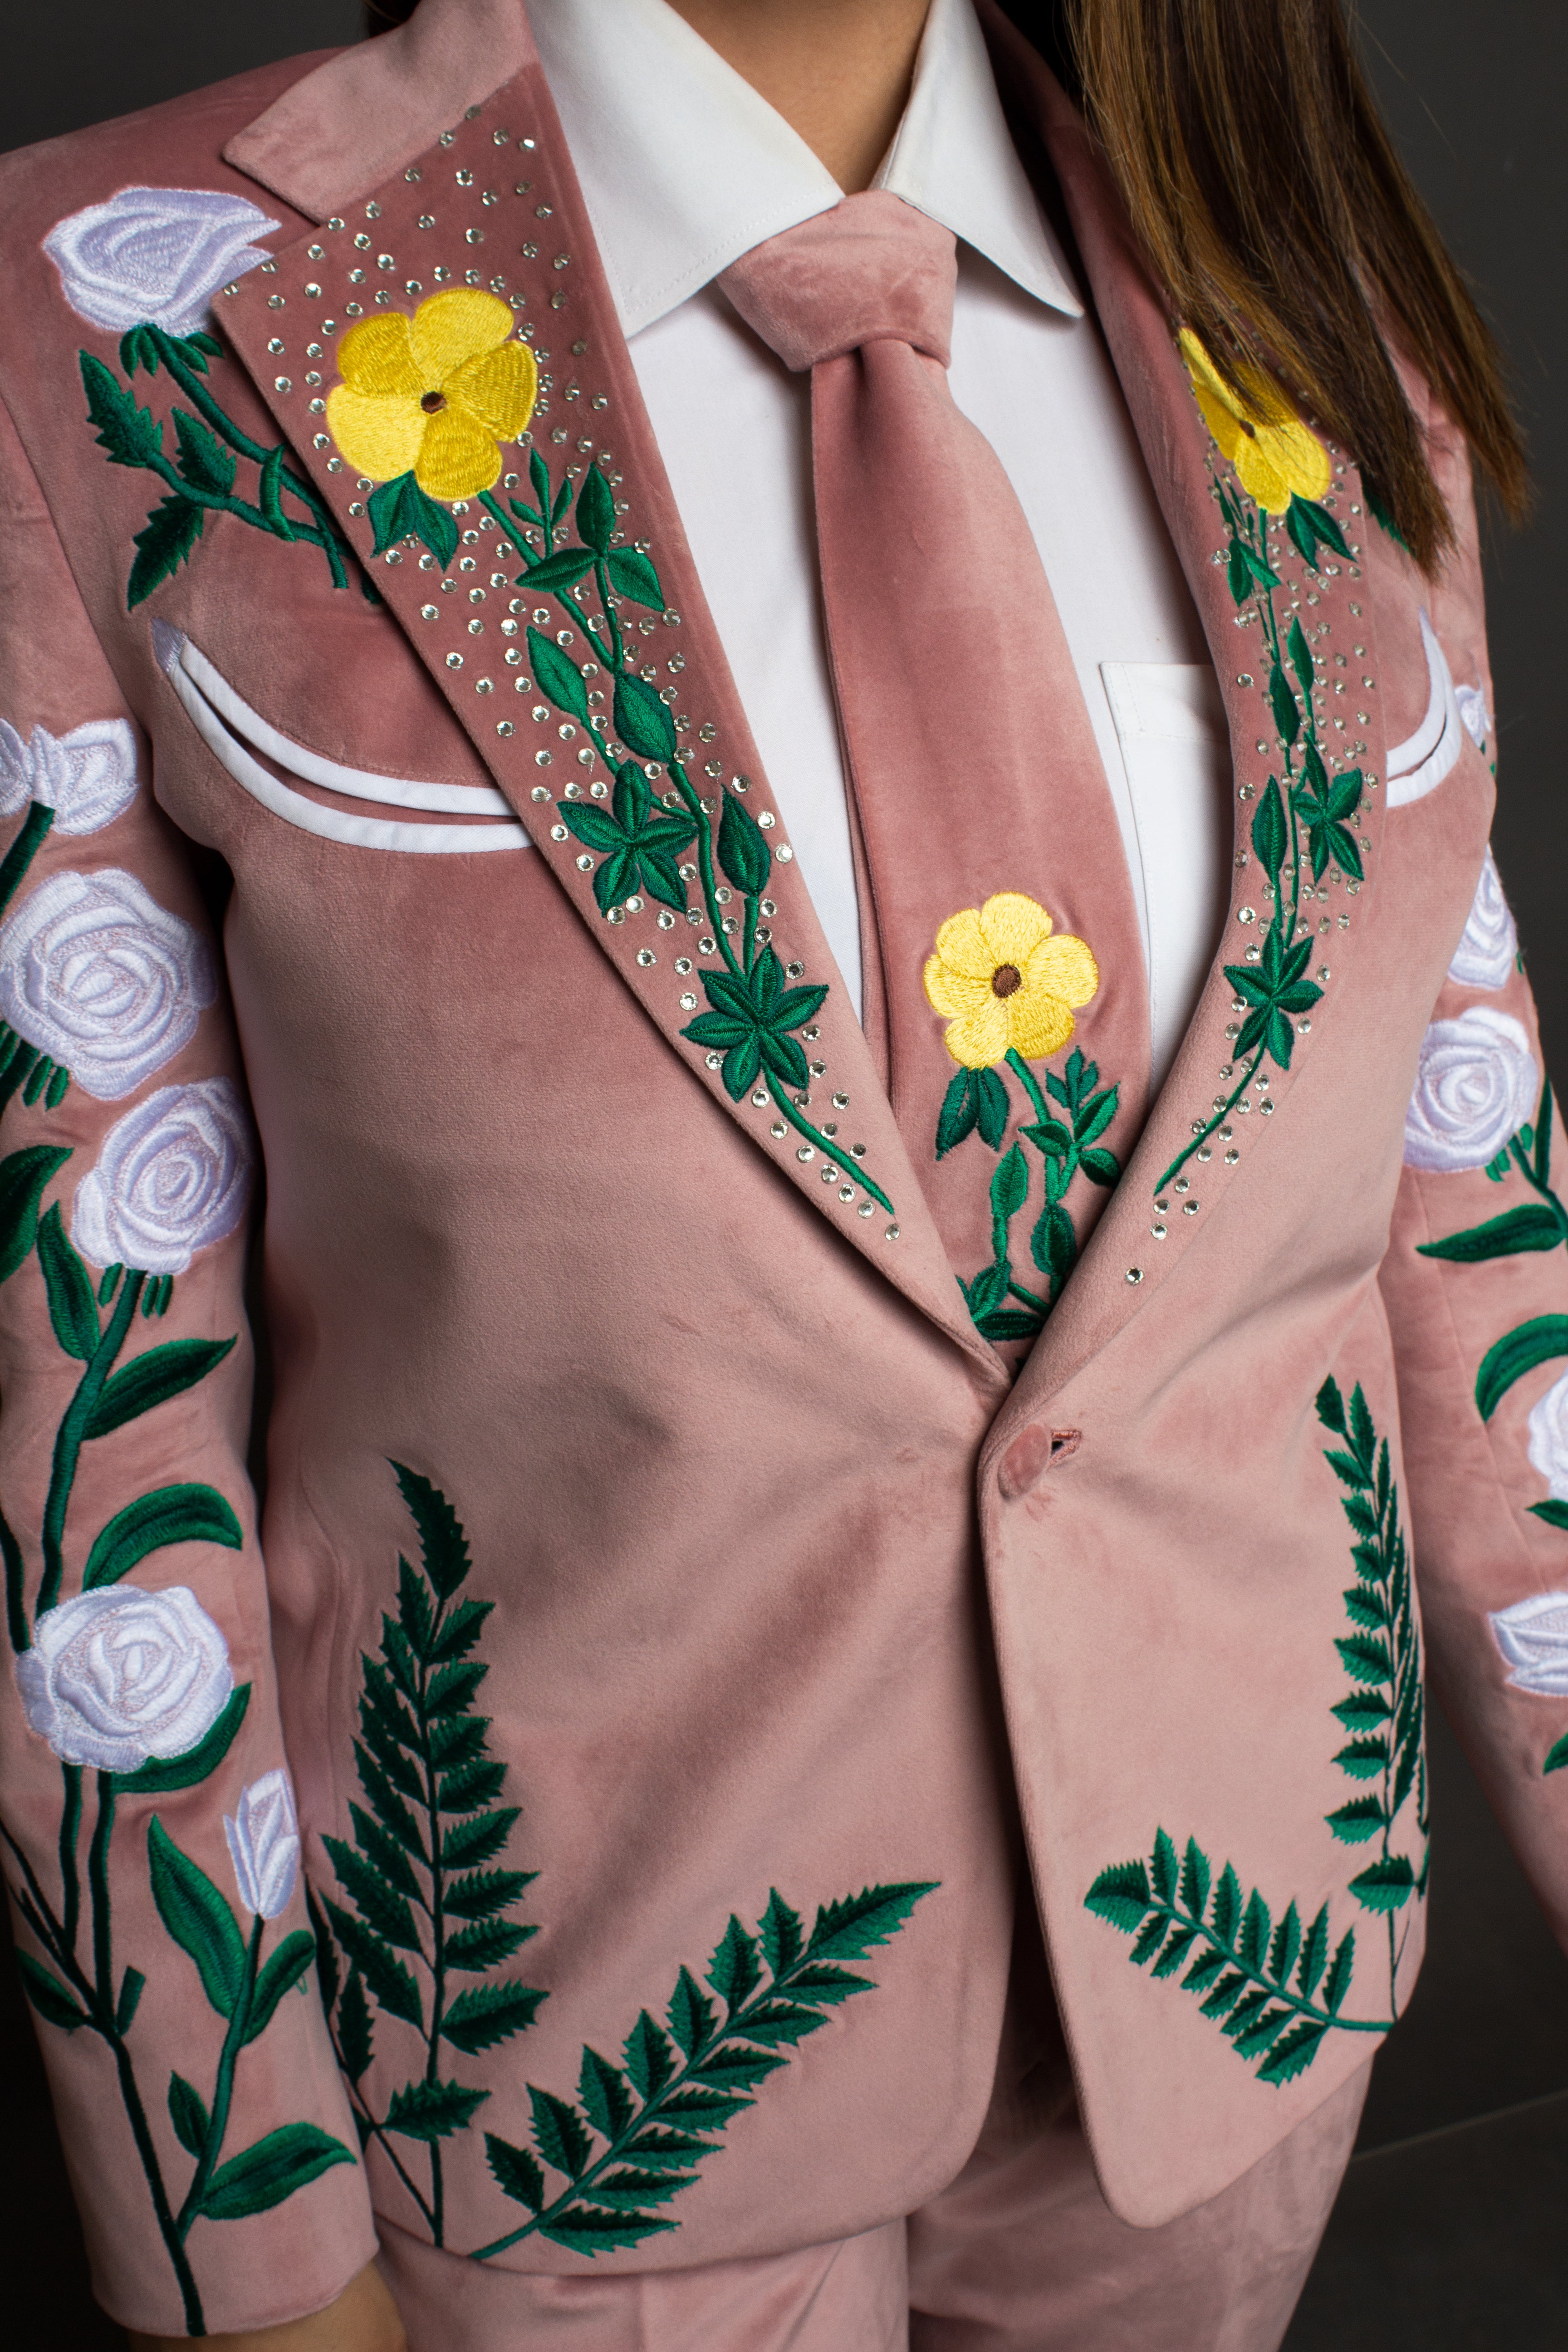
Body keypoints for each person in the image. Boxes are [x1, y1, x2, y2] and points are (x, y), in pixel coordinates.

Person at [0, 0, 1558, 2344]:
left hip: (1235, 2018)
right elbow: (79, 1435)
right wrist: (249, 2256)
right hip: (570, 2113)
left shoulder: (1302, 309)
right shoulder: (99, 322)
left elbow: (1473, 1221)